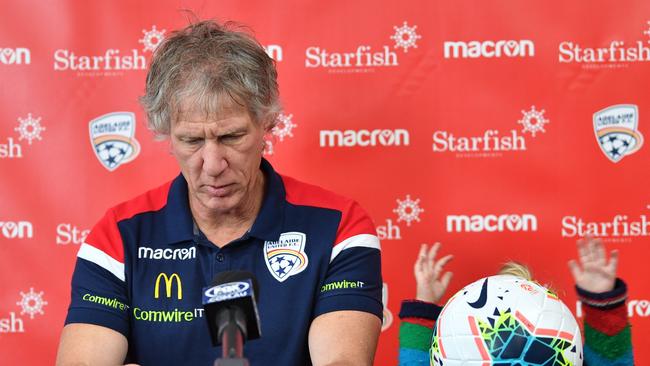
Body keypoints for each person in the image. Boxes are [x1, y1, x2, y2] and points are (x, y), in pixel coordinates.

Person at [56, 20, 382, 366]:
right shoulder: (118, 236)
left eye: (231, 137)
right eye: (192, 140)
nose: (212, 164)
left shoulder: (338, 227)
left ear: (267, 121)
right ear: (165, 132)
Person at [398, 238, 634, 365]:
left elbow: (610, 359)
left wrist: (602, 304)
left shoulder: (557, 352)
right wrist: (424, 304)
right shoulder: (462, 350)